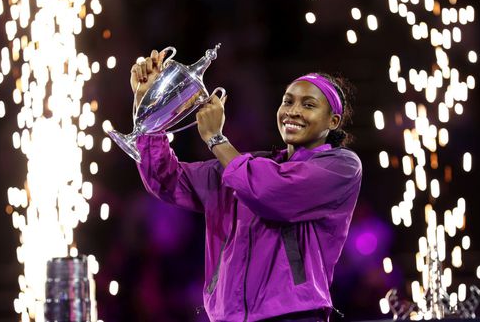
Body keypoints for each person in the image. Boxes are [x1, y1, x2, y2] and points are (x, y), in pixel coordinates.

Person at [130, 49, 362, 322]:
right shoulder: (246, 165)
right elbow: (166, 180)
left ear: (332, 121)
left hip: (293, 316)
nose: (293, 111)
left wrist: (216, 139)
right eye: (288, 101)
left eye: (308, 105)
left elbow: (270, 192)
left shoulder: (341, 166)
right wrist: (150, 105)